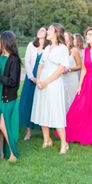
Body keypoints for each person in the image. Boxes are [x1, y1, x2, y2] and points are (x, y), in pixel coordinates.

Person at [31, 23, 70, 154]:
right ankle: (47, 140)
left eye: (50, 30)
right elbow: (41, 64)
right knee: (42, 109)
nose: (47, 31)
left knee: (55, 111)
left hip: (53, 83)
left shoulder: (63, 48)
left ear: (57, 33)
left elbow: (61, 69)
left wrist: (46, 82)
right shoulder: (47, 48)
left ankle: (64, 143)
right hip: (42, 82)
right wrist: (38, 79)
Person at [0, 31, 21, 162]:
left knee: (3, 125)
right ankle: (0, 154)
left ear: (5, 42)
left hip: (7, 96)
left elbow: (12, 81)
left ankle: (13, 152)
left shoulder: (14, 60)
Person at [19, 27, 48, 140]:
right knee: (28, 102)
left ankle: (44, 129)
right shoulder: (31, 45)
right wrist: (31, 77)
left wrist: (40, 79)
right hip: (31, 77)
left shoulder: (49, 47)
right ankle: (28, 131)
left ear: (46, 34)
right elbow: (26, 61)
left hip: (43, 77)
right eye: (39, 30)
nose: (40, 31)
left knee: (41, 102)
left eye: (43, 30)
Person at [63, 31, 82, 110]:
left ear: (70, 38)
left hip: (72, 78)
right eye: (63, 35)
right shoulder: (61, 49)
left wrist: (69, 69)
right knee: (63, 100)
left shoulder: (74, 50)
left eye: (66, 35)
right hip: (62, 78)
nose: (64, 36)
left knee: (72, 99)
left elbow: (79, 66)